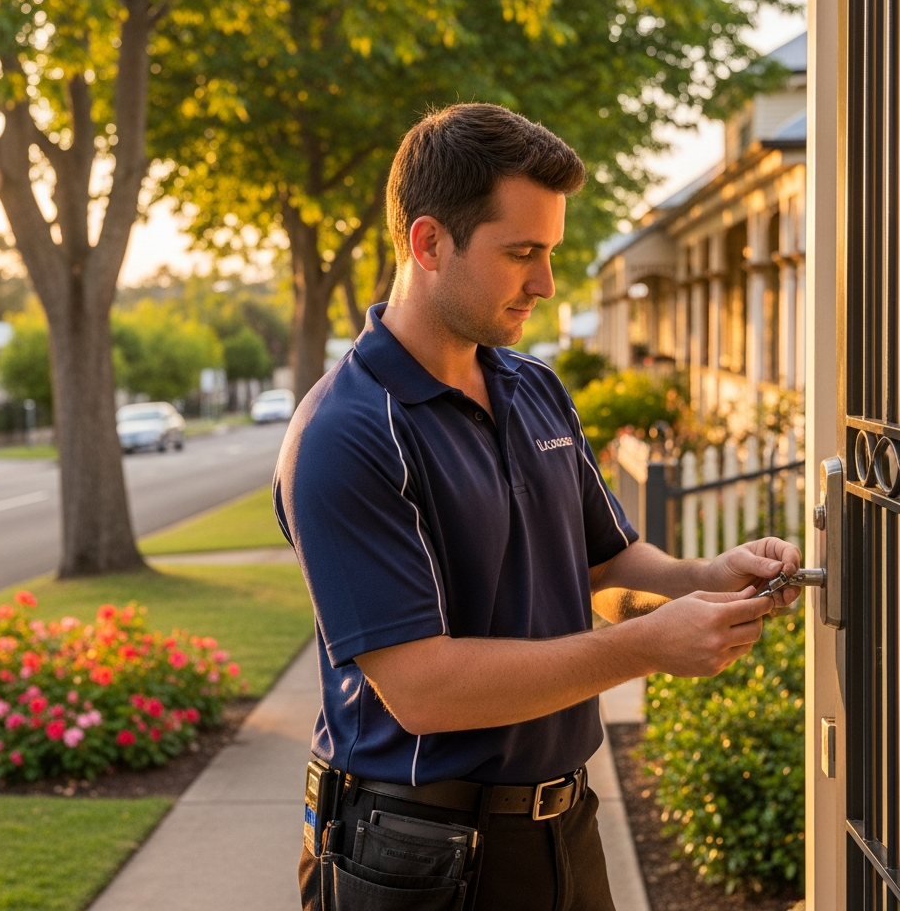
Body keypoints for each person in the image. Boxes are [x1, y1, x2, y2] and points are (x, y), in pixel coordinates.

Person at [274, 103, 800, 911]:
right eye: (522, 252)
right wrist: (645, 647)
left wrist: (704, 577)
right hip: (412, 856)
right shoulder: (344, 434)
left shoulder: (534, 387)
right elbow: (423, 689)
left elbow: (603, 561)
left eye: (548, 252)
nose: (545, 283)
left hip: (562, 829)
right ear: (427, 243)